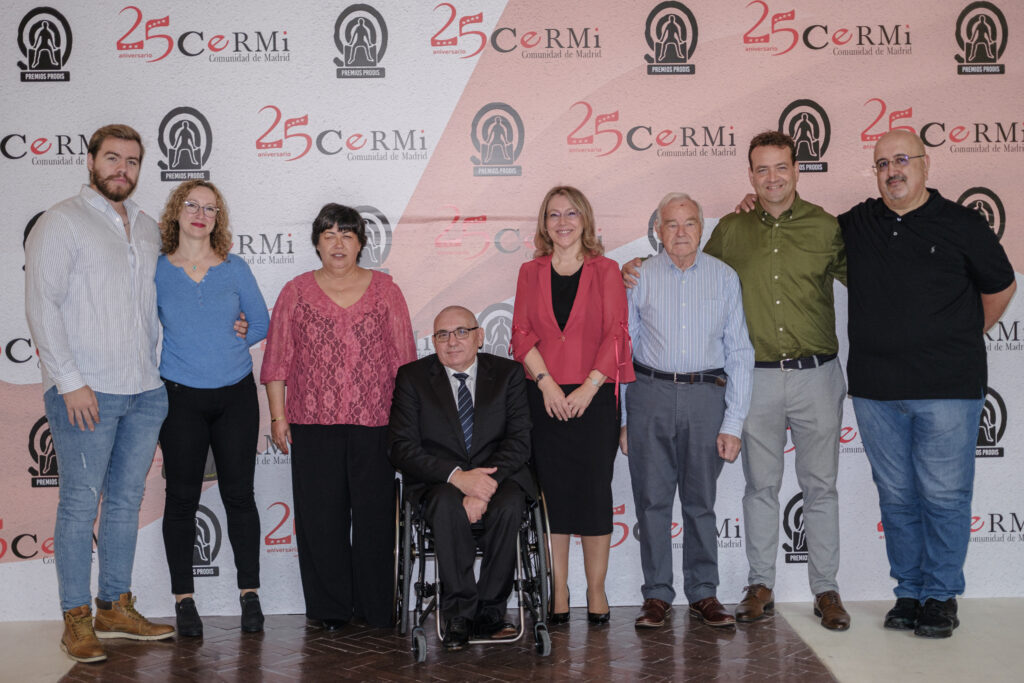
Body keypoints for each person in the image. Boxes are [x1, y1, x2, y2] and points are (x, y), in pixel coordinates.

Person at [623, 130, 850, 631]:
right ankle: (754, 585)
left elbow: (869, 284)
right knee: (756, 488)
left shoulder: (825, 227)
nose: (772, 177)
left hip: (812, 376)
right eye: (761, 169)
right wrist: (631, 268)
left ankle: (825, 589)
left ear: (797, 169)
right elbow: (637, 331)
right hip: (741, 382)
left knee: (819, 487)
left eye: (781, 167)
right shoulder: (729, 231)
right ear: (750, 175)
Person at [839, 129, 1015, 638]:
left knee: (944, 496)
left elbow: (1001, 287)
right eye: (882, 164)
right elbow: (800, 229)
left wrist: (960, 337)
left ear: (925, 164)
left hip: (947, 389)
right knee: (896, 498)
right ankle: (910, 592)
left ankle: (940, 596)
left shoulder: (962, 223)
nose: (892, 171)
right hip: (876, 390)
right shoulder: (858, 223)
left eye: (901, 160)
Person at [25, 124, 175, 663]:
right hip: (86, 391)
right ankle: (75, 618)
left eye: (132, 161)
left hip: (144, 390)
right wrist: (70, 381)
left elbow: (168, 297)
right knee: (78, 504)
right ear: (90, 162)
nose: (122, 169)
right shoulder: (61, 221)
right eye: (112, 158)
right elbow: (42, 305)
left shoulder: (148, 226)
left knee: (125, 503)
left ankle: (114, 606)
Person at [261, 203, 416, 630]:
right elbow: (277, 361)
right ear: (316, 243)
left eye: (347, 234)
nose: (338, 243)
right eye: (328, 235)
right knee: (320, 519)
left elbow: (405, 362)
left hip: (376, 423)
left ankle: (374, 606)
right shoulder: (295, 292)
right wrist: (277, 417)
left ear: (361, 242)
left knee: (375, 519)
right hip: (312, 424)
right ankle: (330, 608)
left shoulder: (386, 291)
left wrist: (407, 423)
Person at [620, 194, 753, 630]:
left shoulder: (724, 277)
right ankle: (657, 594)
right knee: (652, 501)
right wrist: (624, 420)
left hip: (705, 397)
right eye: (671, 224)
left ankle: (703, 592)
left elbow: (740, 352)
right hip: (649, 394)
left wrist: (733, 422)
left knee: (701, 502)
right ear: (658, 231)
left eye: (690, 223)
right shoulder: (638, 277)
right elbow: (624, 350)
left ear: (701, 228)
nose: (681, 232)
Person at [510, 186, 634, 625]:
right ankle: (558, 589)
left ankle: (596, 590)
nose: (562, 222)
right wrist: (546, 385)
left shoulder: (607, 270)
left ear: (586, 220)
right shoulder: (530, 272)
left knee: (595, 494)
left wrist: (588, 388)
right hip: (543, 397)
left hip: (593, 399)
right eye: (554, 215)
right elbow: (521, 333)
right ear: (544, 224)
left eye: (571, 214)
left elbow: (616, 333)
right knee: (553, 495)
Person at [155, 180, 270, 637]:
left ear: (218, 218)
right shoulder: (156, 270)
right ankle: (184, 600)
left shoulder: (235, 268)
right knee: (181, 499)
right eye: (192, 205)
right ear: (176, 212)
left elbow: (260, 322)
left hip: (236, 396)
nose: (200, 214)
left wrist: (239, 335)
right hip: (179, 398)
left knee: (239, 497)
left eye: (210, 208)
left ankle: (250, 595)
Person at [388, 305, 534, 650]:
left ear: (479, 337)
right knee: (444, 505)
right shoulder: (412, 378)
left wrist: (481, 488)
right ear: (434, 341)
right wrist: (457, 477)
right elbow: (401, 448)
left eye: (461, 332)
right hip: (438, 482)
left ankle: (491, 612)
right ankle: (458, 614)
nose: (452, 341)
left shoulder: (509, 374)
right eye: (442, 335)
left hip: (499, 476)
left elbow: (519, 440)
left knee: (510, 505)